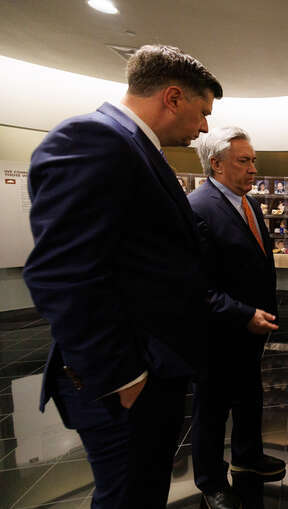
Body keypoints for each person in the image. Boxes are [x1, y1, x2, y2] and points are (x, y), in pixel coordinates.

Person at [22, 44, 222, 508]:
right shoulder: (93, 139)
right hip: (127, 381)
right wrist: (124, 378)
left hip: (153, 369)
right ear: (173, 97)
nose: (204, 128)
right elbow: (61, 273)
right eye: (203, 112)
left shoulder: (134, 147)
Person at [188, 127, 285, 508]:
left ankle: (247, 457)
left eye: (253, 160)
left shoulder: (249, 203)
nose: (253, 169)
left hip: (250, 329)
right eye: (244, 161)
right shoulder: (198, 207)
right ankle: (211, 481)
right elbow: (197, 286)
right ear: (216, 164)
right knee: (211, 408)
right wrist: (243, 314)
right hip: (217, 331)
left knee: (248, 396)